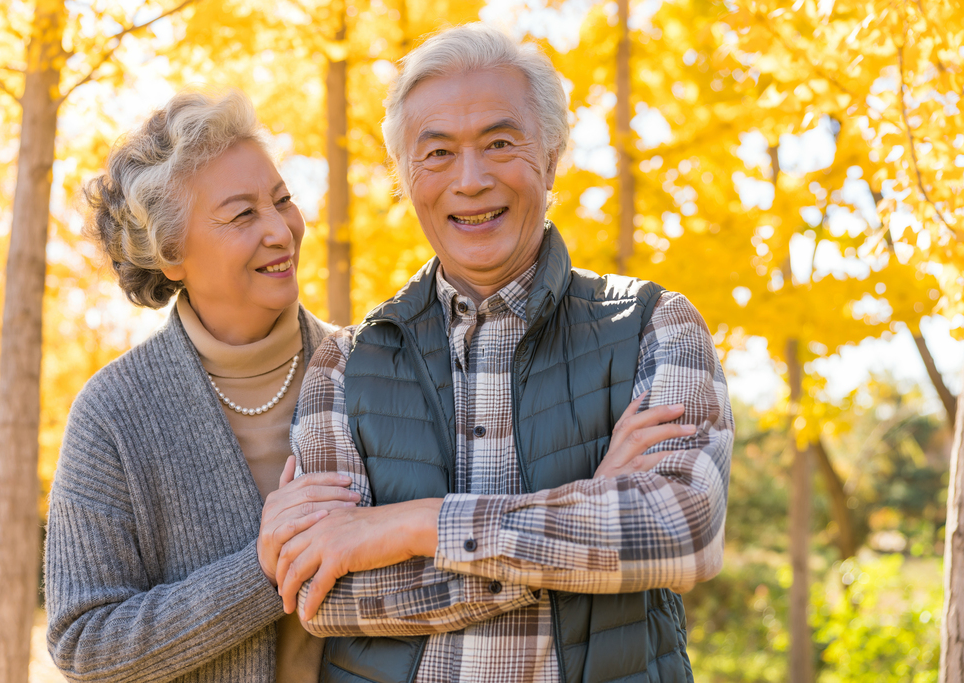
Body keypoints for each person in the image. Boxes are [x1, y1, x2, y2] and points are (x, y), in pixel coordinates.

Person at [273, 24, 734, 683]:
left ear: (550, 158)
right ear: (406, 178)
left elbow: (682, 531)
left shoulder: (655, 325)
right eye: (437, 153)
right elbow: (330, 594)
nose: (471, 178)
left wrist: (414, 526)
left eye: (499, 143)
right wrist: (593, 508)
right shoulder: (344, 366)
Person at [44, 89, 358, 683]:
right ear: (170, 254)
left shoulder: (371, 367)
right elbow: (85, 645)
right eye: (242, 214)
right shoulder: (113, 414)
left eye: (282, 200)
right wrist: (263, 572)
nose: (281, 231)